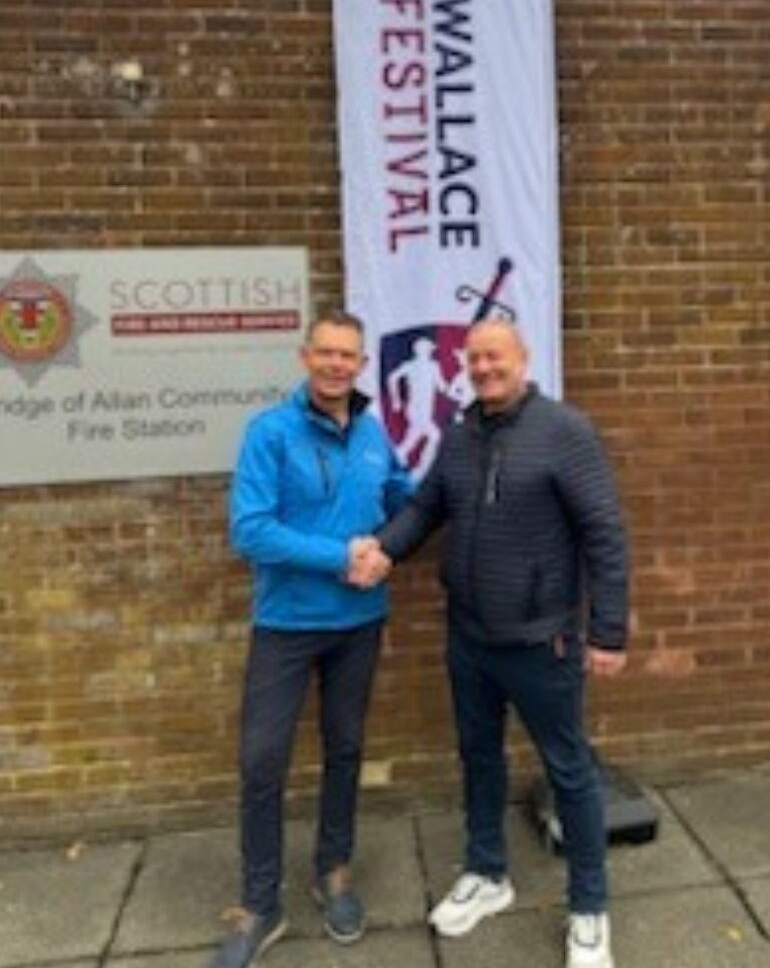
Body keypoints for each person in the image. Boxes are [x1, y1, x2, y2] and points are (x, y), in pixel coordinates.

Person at [349, 319, 629, 968]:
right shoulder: (460, 432)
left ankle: (589, 911)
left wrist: (607, 630)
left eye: (494, 356)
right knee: (478, 757)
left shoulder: (565, 432)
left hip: (542, 640)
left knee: (570, 773)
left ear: (522, 360)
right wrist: (382, 551)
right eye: (473, 359)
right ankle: (487, 874)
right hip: (468, 636)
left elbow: (604, 534)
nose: (483, 368)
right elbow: (425, 508)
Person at [208, 310, 413, 968]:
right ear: (305, 358)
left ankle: (333, 871)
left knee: (345, 748)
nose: (334, 364)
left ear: (359, 364)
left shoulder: (375, 434)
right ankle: (261, 902)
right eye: (323, 352)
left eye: (346, 355)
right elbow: (251, 530)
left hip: (359, 624)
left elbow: (409, 503)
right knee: (261, 761)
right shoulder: (269, 432)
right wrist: (342, 555)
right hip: (287, 625)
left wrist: (390, 550)